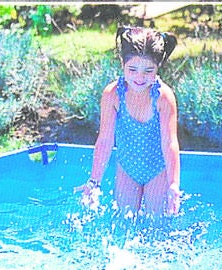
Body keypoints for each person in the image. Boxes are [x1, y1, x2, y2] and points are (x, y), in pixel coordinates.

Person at [78, 26, 182, 216]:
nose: (139, 77)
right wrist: (94, 181)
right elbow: (105, 140)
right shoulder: (113, 95)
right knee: (124, 224)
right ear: (122, 64)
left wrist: (174, 185)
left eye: (148, 70)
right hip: (127, 169)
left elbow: (170, 143)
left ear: (158, 67)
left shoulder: (163, 97)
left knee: (157, 226)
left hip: (157, 169)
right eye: (132, 69)